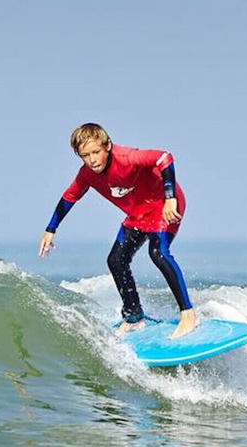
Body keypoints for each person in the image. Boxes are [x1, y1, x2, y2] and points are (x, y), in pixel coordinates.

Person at [38, 123, 200, 339]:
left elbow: (164, 158)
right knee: (116, 260)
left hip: (164, 205)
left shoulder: (126, 157)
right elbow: (69, 197)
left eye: (96, 152)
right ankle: (134, 316)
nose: (92, 159)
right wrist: (51, 229)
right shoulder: (87, 174)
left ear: (108, 146)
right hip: (138, 214)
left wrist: (170, 198)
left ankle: (188, 315)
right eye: (85, 155)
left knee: (158, 253)